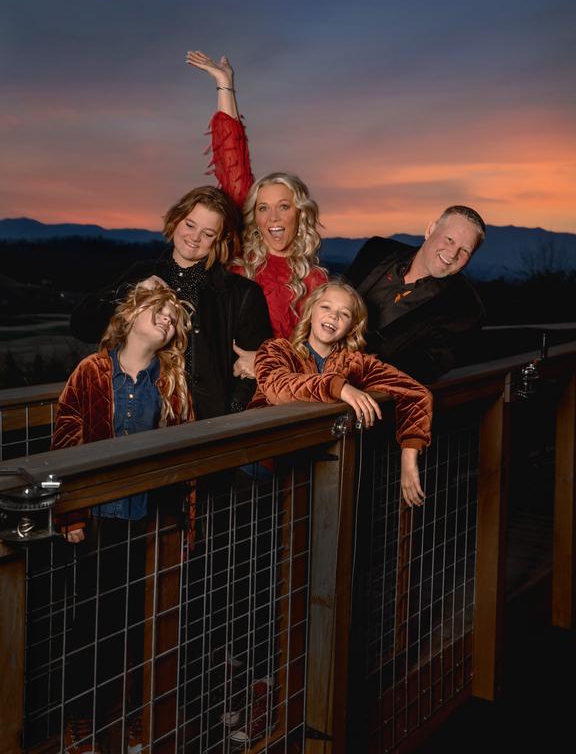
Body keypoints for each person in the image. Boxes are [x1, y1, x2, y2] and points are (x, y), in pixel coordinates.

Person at [52, 284, 193, 754]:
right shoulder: (92, 370)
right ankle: (82, 721)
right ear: (130, 316)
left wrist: (186, 524)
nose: (166, 319)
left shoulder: (170, 383)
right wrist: (71, 513)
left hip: (147, 521)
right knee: (92, 623)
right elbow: (67, 439)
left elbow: (186, 456)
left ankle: (134, 716)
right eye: (158, 310)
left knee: (142, 623)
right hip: (97, 519)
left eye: (173, 318)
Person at [70, 185, 272, 419]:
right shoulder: (141, 274)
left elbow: (255, 371)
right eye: (190, 225)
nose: (194, 238)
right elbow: (81, 326)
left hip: (208, 425)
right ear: (176, 219)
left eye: (208, 233)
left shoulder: (243, 294)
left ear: (221, 239)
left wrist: (227, 417)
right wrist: (130, 292)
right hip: (140, 419)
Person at [185, 50, 328, 377]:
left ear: (300, 215)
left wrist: (264, 364)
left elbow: (319, 356)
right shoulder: (241, 255)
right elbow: (232, 163)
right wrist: (225, 85)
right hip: (217, 384)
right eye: (263, 208)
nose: (273, 218)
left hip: (276, 393)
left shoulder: (315, 280)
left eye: (283, 207)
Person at [251, 279, 433, 508]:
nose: (333, 316)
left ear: (353, 326)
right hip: (263, 467)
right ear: (310, 310)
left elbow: (415, 393)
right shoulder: (276, 349)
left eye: (344, 313)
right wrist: (340, 388)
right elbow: (277, 386)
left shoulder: (356, 363)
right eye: (326, 306)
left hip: (320, 473)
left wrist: (408, 456)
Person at [345, 206, 487, 383]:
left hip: (367, 390)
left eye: (465, 250)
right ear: (430, 230)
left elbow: (422, 370)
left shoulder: (466, 310)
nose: (452, 254)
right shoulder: (377, 249)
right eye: (449, 239)